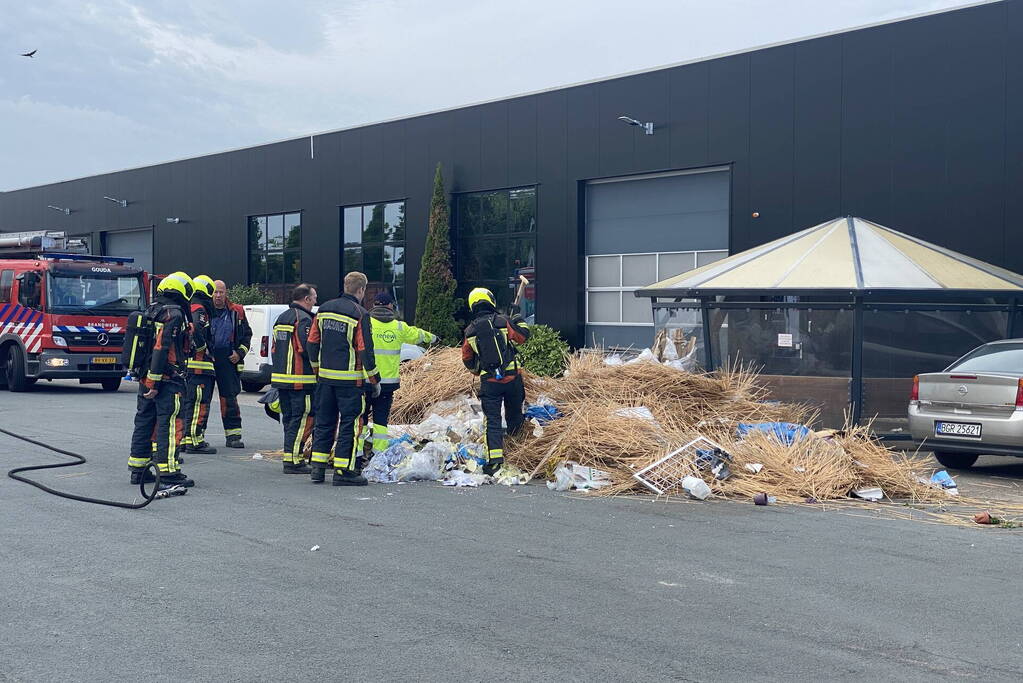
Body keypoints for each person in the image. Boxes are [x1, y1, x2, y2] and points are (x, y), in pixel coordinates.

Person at [307, 271, 380, 486]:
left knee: (324, 422)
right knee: (350, 424)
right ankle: (343, 471)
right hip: (350, 382)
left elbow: (312, 342)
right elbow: (365, 350)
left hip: (325, 379)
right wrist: (374, 380)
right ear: (361, 290)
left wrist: (317, 369)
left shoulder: (324, 309)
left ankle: (318, 469)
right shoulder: (360, 313)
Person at [127, 272, 195, 488]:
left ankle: (139, 469)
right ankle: (168, 471)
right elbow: (161, 347)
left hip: (146, 377)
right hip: (167, 380)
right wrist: (156, 383)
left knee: (144, 420)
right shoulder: (173, 314)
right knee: (171, 422)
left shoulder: (152, 309)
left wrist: (149, 381)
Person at [461, 287, 530, 476]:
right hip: (512, 380)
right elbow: (524, 336)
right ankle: (517, 452)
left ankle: (495, 462)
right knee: (515, 414)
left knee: (492, 421)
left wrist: (478, 370)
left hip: (489, 382)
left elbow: (467, 358)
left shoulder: (470, 331)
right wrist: (516, 317)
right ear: (490, 300)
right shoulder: (503, 321)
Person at [359, 291, 437, 457]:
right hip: (387, 385)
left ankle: (357, 456)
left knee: (361, 419)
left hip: (365, 381)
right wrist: (434, 338)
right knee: (381, 420)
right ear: (390, 306)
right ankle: (378, 454)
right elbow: (418, 335)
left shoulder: (365, 324)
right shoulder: (399, 327)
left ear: (374, 306)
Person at [270, 283, 319, 474]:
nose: (316, 300)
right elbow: (306, 348)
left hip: (282, 379)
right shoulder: (304, 319)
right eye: (314, 297)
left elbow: (275, 348)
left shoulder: (281, 318)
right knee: (303, 419)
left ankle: (288, 456)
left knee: (289, 419)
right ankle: (294, 460)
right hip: (301, 380)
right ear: (306, 299)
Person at [210, 280, 252, 448]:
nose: (218, 296)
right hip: (208, 359)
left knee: (229, 398)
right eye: (215, 292)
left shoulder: (237, 311)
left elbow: (247, 335)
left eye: (221, 292)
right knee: (200, 400)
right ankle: (192, 438)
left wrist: (239, 353)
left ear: (226, 293)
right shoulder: (203, 310)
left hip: (228, 359)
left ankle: (233, 436)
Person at [180, 274, 218, 455]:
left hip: (190, 367)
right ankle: (194, 441)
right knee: (199, 403)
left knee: (189, 404)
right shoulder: (199, 309)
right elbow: (196, 328)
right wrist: (204, 347)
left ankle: (186, 438)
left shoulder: (189, 306)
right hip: (199, 367)